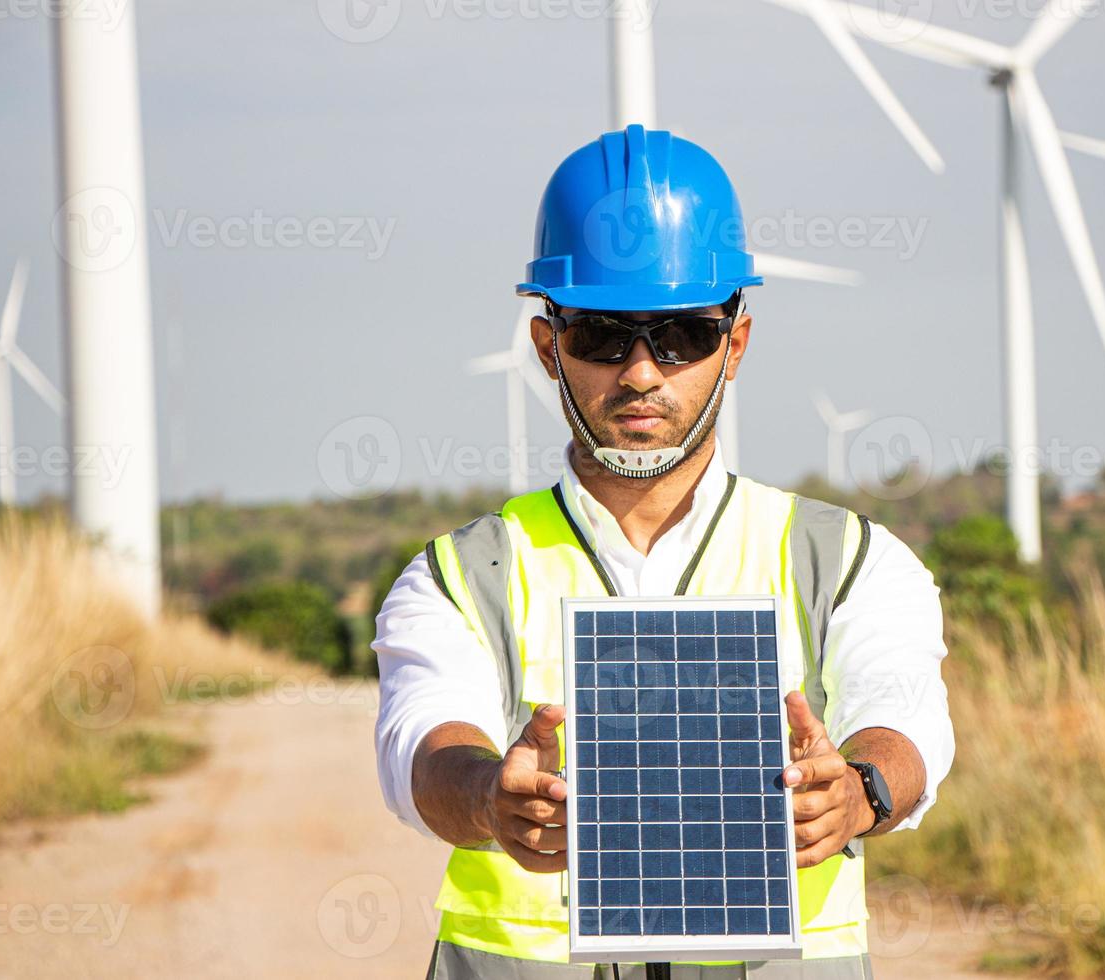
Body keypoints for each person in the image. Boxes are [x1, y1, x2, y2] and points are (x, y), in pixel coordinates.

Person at [373, 123, 954, 979]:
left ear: (736, 344)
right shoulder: (461, 576)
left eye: (681, 334)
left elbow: (905, 718)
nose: (641, 372)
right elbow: (422, 742)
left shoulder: (850, 559)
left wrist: (860, 792)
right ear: (546, 348)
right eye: (603, 336)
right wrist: (488, 800)